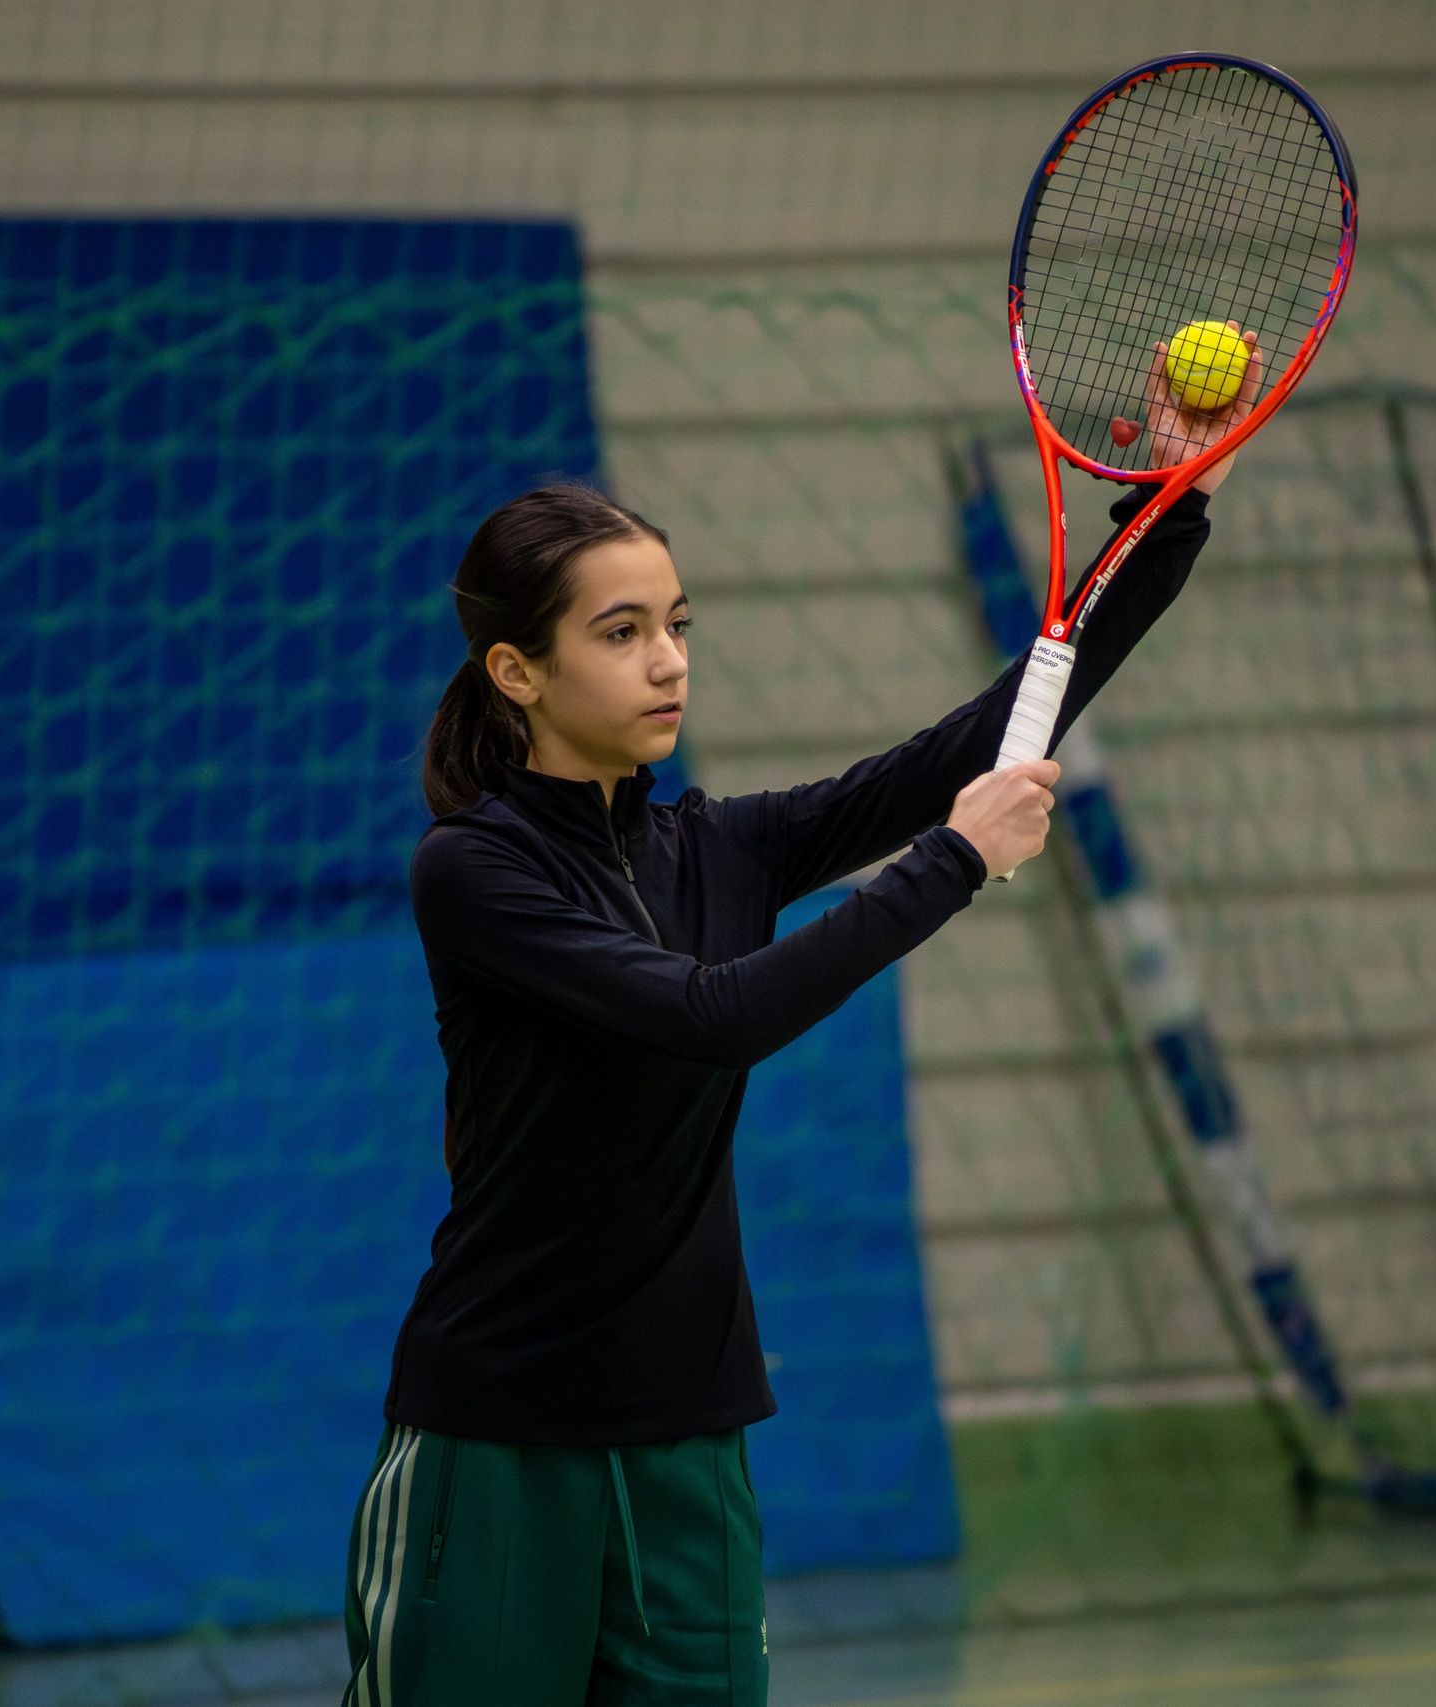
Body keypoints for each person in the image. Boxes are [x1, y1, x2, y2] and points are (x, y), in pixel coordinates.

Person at [342, 347, 1252, 1706]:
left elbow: (988, 731)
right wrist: (953, 862)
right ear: (515, 672)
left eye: (679, 624)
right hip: (500, 1439)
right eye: (622, 631)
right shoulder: (473, 870)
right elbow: (713, 1019)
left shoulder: (722, 848)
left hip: (691, 1441)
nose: (667, 662)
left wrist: (1170, 516)